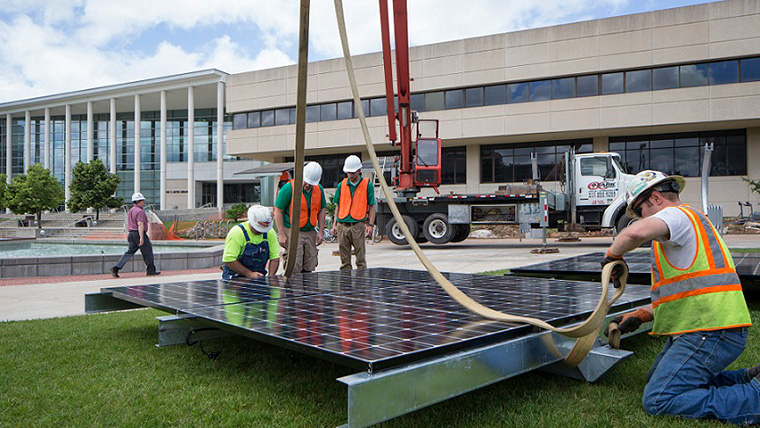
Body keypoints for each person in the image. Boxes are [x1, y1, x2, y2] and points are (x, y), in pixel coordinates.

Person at [602, 170, 758, 425]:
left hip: (711, 331)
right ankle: (747, 379)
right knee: (659, 380)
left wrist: (613, 257)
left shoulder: (676, 215)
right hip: (710, 327)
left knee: (658, 399)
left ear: (654, 198)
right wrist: (642, 315)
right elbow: (686, 291)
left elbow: (632, 234)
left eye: (638, 212)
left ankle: (755, 397)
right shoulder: (687, 227)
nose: (637, 220)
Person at [274, 162, 326, 273]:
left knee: (310, 263)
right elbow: (278, 211)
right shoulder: (289, 188)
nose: (308, 185)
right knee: (294, 265)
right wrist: (282, 234)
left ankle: (307, 289)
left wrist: (321, 231)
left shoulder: (319, 189)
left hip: (310, 231)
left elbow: (322, 209)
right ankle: (292, 288)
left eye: (311, 184)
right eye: (307, 182)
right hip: (293, 231)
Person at [331, 155, 375, 270]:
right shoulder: (342, 185)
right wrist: (335, 225)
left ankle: (361, 284)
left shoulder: (367, 185)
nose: (350, 175)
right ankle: (346, 285)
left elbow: (371, 207)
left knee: (360, 260)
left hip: (358, 225)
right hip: (342, 225)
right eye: (348, 173)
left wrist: (370, 225)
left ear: (359, 171)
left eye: (353, 173)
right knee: (344, 262)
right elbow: (338, 206)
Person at [222, 205, 280, 279]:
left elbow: (275, 259)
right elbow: (229, 260)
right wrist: (249, 274)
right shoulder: (237, 232)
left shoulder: (270, 233)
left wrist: (271, 278)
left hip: (258, 276)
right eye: (258, 229)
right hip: (234, 277)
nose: (260, 232)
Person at [111, 192, 160, 277]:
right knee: (148, 251)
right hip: (138, 233)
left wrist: (128, 234)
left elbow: (128, 223)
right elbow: (140, 224)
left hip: (131, 233)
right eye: (142, 200)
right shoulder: (140, 211)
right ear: (140, 201)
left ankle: (116, 267)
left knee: (129, 252)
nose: (144, 202)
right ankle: (151, 270)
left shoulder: (131, 210)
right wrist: (141, 237)